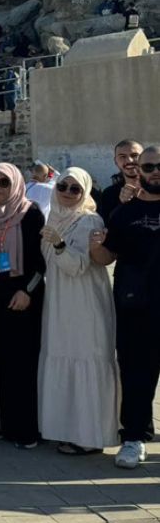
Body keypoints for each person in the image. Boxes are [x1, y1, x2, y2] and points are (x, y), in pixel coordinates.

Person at [37, 167, 118, 455]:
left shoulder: (89, 221)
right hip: (59, 302)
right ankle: (66, 429)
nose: (68, 193)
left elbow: (78, 266)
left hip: (84, 303)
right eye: (63, 187)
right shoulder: (55, 216)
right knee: (62, 356)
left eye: (75, 189)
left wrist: (59, 244)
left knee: (86, 359)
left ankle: (90, 435)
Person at [91, 146, 160, 468]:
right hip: (136, 307)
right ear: (139, 171)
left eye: (159, 166)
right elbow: (107, 256)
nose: (154, 172)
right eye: (149, 167)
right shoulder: (123, 213)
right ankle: (134, 438)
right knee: (135, 375)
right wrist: (94, 248)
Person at [0, 163, 46, 448]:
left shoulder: (31, 215)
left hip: (22, 300)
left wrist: (27, 291)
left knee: (22, 364)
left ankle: (24, 428)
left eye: (4, 182)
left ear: (15, 185)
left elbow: (41, 263)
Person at [98, 140, 143, 222]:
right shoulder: (109, 194)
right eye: (122, 156)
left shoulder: (155, 189)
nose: (129, 160)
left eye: (134, 155)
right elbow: (106, 226)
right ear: (116, 161)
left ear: (144, 158)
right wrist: (121, 204)